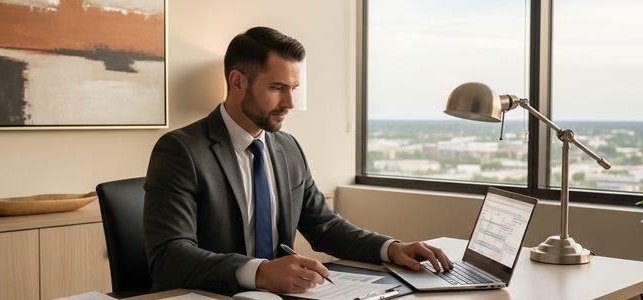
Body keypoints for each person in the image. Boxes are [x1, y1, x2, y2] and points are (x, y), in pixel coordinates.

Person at [143, 26, 452, 294]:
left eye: (293, 89)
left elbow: (326, 227)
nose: (290, 103)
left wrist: (391, 248)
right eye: (277, 88)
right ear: (237, 82)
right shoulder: (181, 151)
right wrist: (261, 272)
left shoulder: (287, 148)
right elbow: (170, 257)